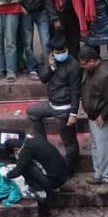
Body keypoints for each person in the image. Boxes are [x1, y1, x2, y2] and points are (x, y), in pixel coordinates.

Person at [28, 36, 82, 166]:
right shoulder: (52, 60)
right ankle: (43, 147)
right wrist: (51, 67)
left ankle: (71, 168)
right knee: (32, 112)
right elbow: (43, 79)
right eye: (57, 53)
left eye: (62, 52)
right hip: (52, 104)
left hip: (64, 109)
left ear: (66, 49)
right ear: (52, 52)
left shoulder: (74, 66)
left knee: (69, 142)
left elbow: (76, 91)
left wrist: (73, 114)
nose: (60, 55)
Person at [77, 43, 108, 194]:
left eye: (84, 64)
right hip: (93, 115)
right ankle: (99, 174)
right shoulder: (91, 71)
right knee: (96, 147)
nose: (82, 67)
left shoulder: (106, 75)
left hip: (102, 117)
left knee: (105, 149)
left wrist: (104, 115)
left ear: (92, 61)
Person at [0, 131, 70, 215]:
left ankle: (39, 191)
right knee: (25, 164)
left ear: (16, 149)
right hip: (64, 175)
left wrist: (5, 173)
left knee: (25, 167)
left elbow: (17, 172)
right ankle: (52, 185)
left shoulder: (25, 151)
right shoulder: (31, 142)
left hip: (54, 182)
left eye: (14, 154)